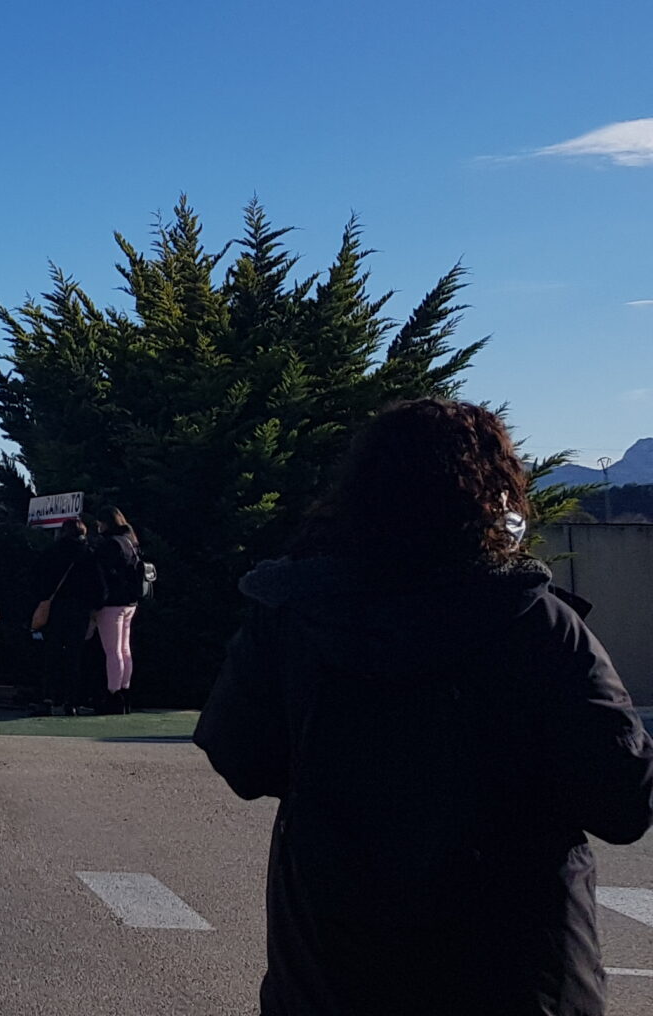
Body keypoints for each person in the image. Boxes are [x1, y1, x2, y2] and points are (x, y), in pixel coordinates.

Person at [196, 397, 653, 1016]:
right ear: (495, 496)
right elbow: (624, 802)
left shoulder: (293, 611)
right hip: (518, 965)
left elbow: (240, 756)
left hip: (334, 962)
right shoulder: (535, 623)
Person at [30, 519, 101, 716]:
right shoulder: (88, 554)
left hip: (54, 609)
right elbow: (98, 587)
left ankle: (49, 697)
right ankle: (71, 701)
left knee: (51, 655)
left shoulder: (51, 552)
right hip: (79, 610)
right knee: (74, 656)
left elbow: (37, 579)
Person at [90, 510, 146, 713]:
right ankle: (124, 690)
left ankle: (113, 694)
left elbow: (101, 576)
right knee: (124, 649)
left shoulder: (109, 544)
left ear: (106, 523)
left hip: (112, 603)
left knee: (112, 651)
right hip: (130, 602)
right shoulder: (130, 541)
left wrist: (96, 603)